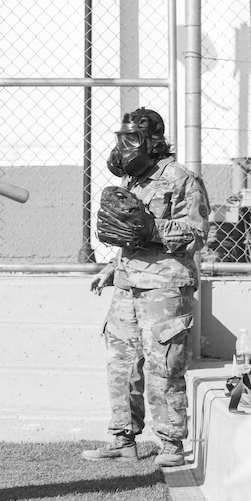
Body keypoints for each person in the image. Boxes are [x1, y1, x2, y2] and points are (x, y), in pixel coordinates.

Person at [82, 108, 210, 467]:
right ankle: (123, 439)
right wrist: (112, 267)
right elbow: (127, 233)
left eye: (132, 140)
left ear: (154, 141)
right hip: (128, 285)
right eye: (120, 139)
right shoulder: (133, 181)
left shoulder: (182, 179)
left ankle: (171, 444)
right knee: (122, 365)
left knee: (163, 368)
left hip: (165, 288)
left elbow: (198, 234)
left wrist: (155, 230)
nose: (123, 148)